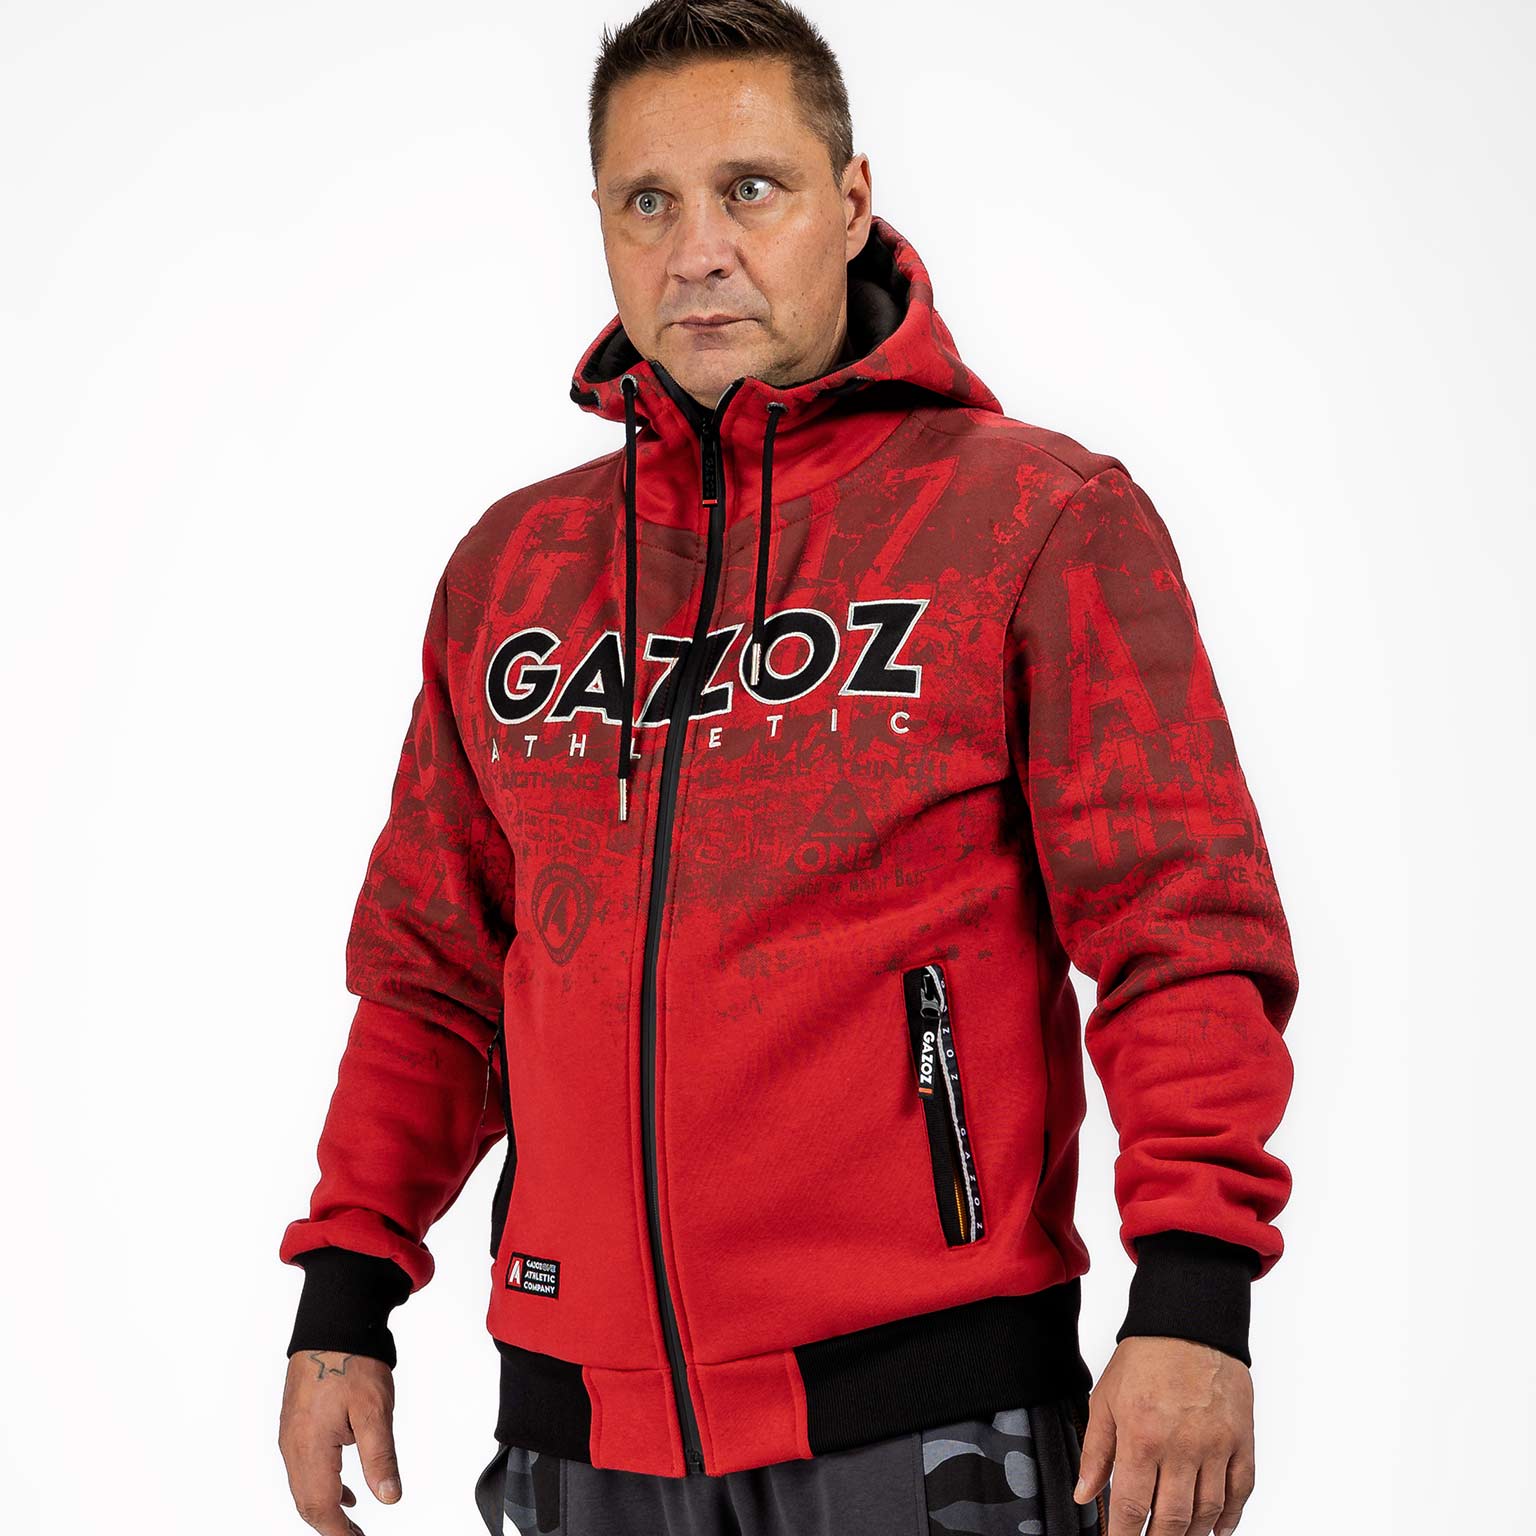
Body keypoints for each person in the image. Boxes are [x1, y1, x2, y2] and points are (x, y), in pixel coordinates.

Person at [275, 2, 1299, 1533]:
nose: (698, 250)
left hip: (924, 1417)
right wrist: (344, 1294)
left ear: (852, 200)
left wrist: (1196, 1299)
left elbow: (1184, 930)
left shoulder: (1034, 520)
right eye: (648, 201)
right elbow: (432, 971)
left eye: (749, 188)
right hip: (577, 1434)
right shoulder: (516, 572)